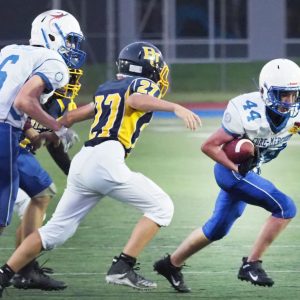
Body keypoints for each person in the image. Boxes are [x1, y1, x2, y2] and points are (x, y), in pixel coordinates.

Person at [0, 41, 201, 296]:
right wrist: (176, 107)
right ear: (149, 68)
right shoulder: (142, 86)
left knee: (55, 232)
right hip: (107, 159)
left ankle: (4, 274)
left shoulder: (109, 88)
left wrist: (52, 129)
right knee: (162, 207)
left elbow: (73, 117)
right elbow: (137, 99)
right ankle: (123, 266)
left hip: (84, 161)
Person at [153, 58, 300, 292]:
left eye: (293, 95)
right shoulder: (246, 110)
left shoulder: (295, 116)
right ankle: (251, 264)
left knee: (217, 229)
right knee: (285, 208)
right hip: (230, 170)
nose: (288, 102)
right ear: (265, 91)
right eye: (282, 94)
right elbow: (209, 146)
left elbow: (293, 125)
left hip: (248, 171)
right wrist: (236, 167)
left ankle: (170, 264)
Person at [0, 9, 86, 236]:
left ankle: (22, 268)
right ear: (52, 35)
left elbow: (8, 98)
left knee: (41, 191)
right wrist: (59, 127)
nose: (73, 48)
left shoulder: (11, 51)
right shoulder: (53, 61)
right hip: (3, 132)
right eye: (70, 40)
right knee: (1, 212)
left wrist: (31, 133)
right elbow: (23, 100)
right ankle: (19, 269)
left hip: (8, 128)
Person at [10, 68, 83, 291]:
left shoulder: (64, 103)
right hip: (8, 153)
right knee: (37, 197)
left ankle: (23, 270)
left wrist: (73, 175)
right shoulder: (26, 88)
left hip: (16, 158)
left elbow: (55, 146)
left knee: (37, 198)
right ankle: (23, 271)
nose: (68, 81)